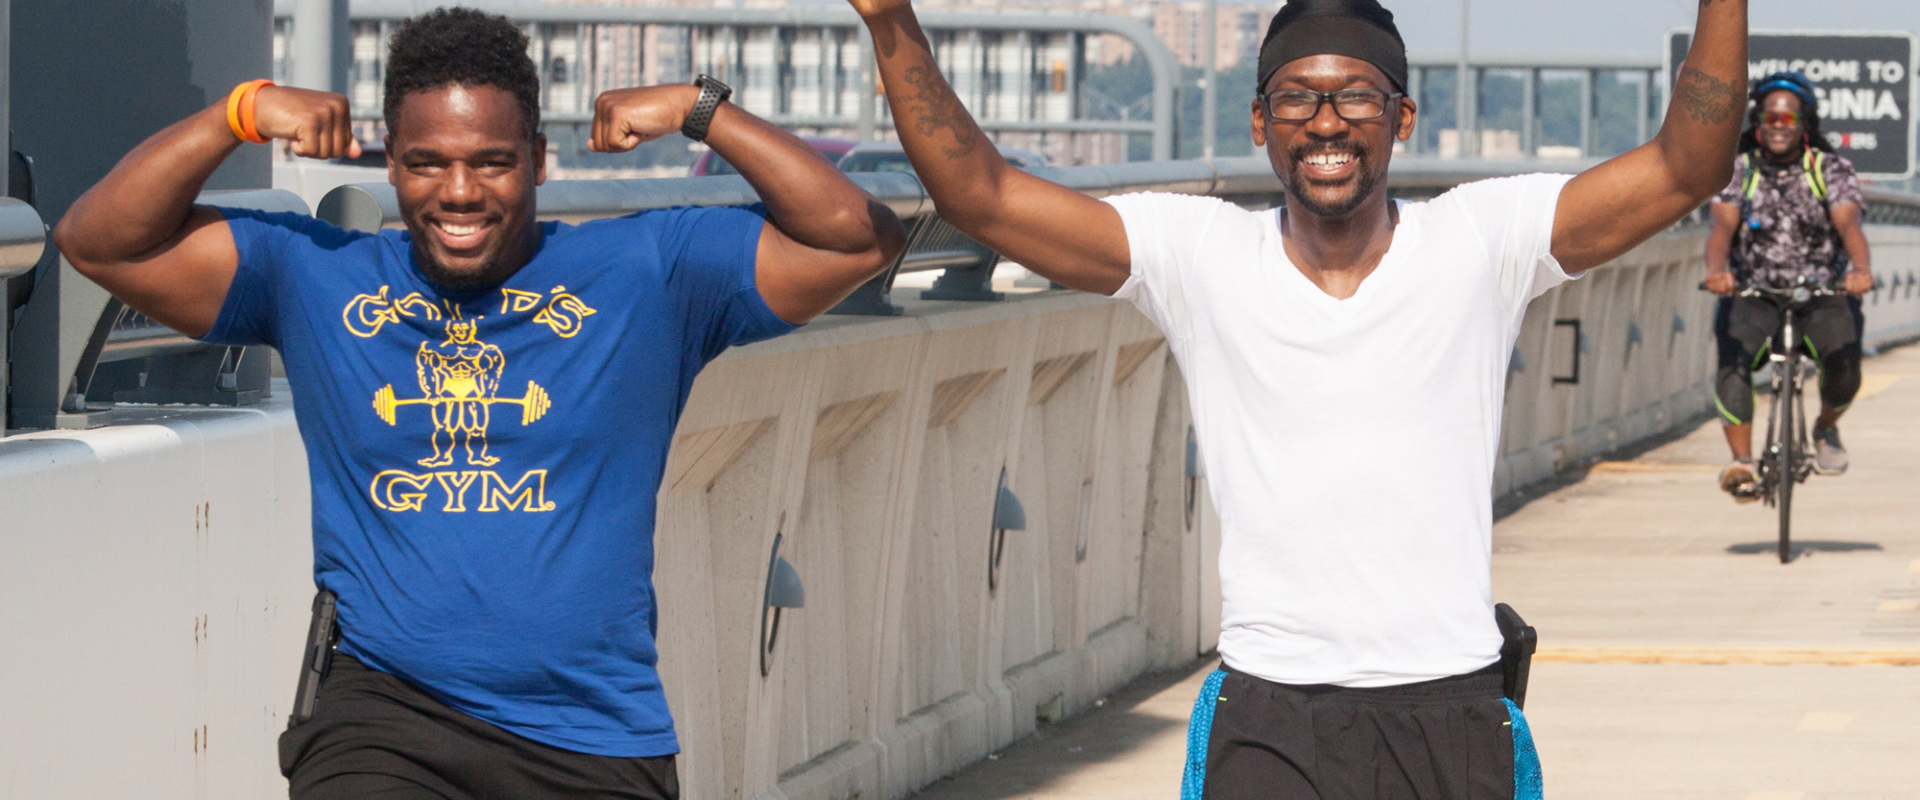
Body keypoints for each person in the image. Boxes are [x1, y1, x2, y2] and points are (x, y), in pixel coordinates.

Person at [841, 0, 1749, 795]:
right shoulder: (1199, 254)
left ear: (1400, 117)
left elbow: (1684, 169)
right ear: (1259, 121)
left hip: (1451, 710)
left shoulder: (1481, 239)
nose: (1325, 123)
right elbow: (983, 197)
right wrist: (892, 22)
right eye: (1296, 99)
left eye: (1355, 96)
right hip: (1270, 717)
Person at [53, 8, 902, 800]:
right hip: (383, 719)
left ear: (537, 157)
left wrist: (698, 108)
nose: (458, 192)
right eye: (427, 163)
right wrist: (236, 113)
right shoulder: (313, 273)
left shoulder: (649, 272)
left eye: (491, 161)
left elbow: (860, 235)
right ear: (392, 164)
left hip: (593, 734)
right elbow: (98, 239)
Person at [1705, 71, 1874, 501]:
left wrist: (1860, 268)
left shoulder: (1828, 169)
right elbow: (1722, 226)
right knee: (1733, 359)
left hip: (1821, 292)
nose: (1779, 126)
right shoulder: (1738, 171)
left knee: (1844, 361)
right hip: (1754, 291)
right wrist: (1716, 270)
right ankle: (1741, 463)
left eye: (1788, 119)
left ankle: (1826, 427)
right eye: (1770, 118)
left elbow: (1848, 221)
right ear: (1757, 123)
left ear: (1804, 124)